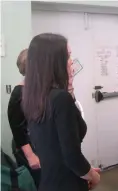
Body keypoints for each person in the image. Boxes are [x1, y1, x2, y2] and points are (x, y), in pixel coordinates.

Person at [21, 33, 100, 191]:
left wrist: (69, 89)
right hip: (67, 183)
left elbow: (56, 145)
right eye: (68, 56)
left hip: (50, 181)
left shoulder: (33, 96)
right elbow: (72, 156)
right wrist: (91, 175)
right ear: (53, 61)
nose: (71, 62)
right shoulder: (60, 99)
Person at [7, 49, 41, 188]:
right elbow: (17, 128)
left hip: (38, 145)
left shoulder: (36, 90)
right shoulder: (19, 93)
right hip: (27, 148)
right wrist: (30, 155)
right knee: (37, 183)